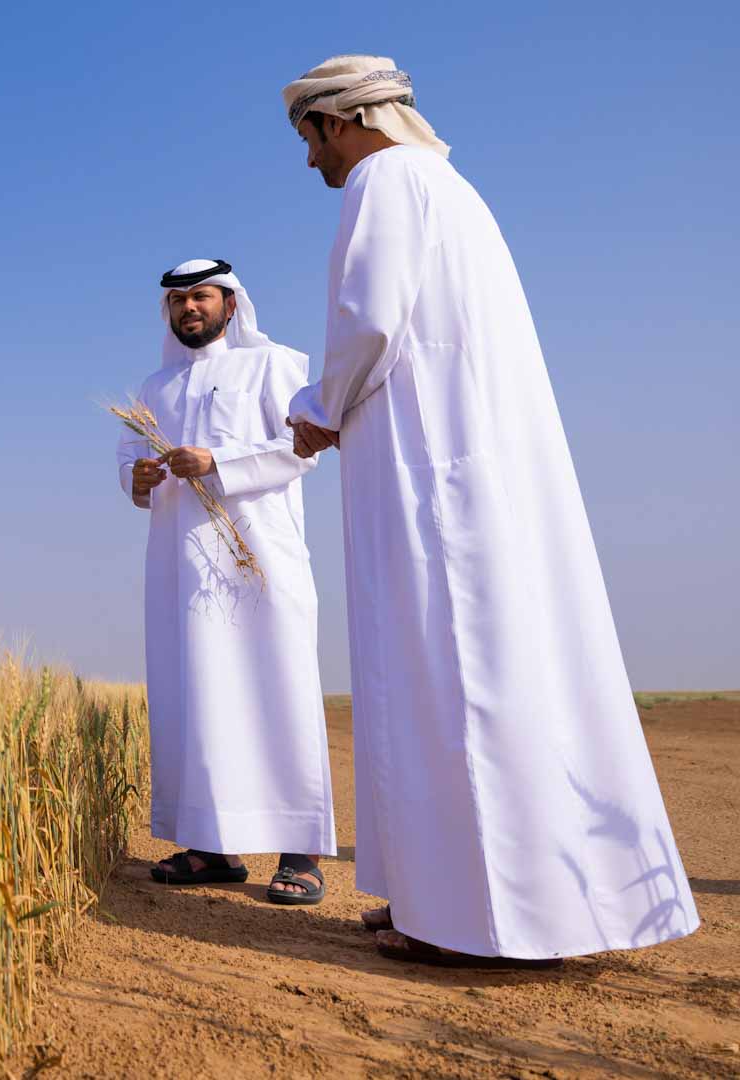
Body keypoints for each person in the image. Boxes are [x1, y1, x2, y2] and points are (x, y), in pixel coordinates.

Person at [281, 55, 699, 966]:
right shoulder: (453, 189)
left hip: (431, 472)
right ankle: (438, 896)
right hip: (462, 463)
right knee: (464, 669)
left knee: (454, 672)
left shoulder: (387, 178)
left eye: (308, 138)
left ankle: (476, 922)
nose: (311, 161)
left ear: (339, 122)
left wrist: (318, 409)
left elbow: (370, 320)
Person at [117, 258, 336, 905]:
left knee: (278, 688)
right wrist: (137, 479)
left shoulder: (274, 364)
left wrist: (218, 460)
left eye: (202, 297)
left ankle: (301, 853)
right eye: (178, 300)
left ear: (231, 304)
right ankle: (212, 847)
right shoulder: (152, 389)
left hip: (260, 559)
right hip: (181, 569)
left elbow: (303, 448)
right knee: (198, 698)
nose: (189, 308)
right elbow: (130, 464)